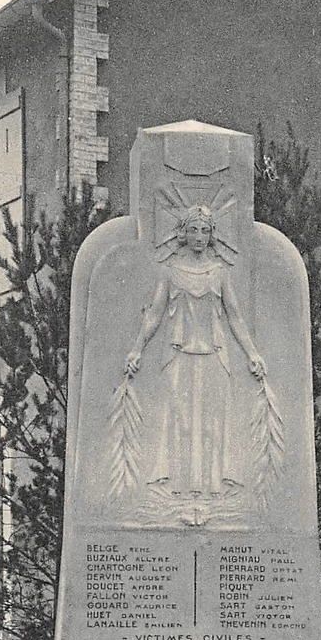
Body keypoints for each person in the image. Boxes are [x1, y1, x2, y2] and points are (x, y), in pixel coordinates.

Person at [124, 204, 265, 498]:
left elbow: (235, 316)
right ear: (183, 233)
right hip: (179, 356)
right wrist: (137, 349)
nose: (199, 236)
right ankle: (176, 486)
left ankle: (213, 486)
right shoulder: (170, 272)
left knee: (213, 423)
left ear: (212, 235)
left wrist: (252, 354)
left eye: (205, 230)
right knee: (180, 421)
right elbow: (155, 315)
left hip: (214, 355)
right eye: (193, 230)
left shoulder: (220, 273)